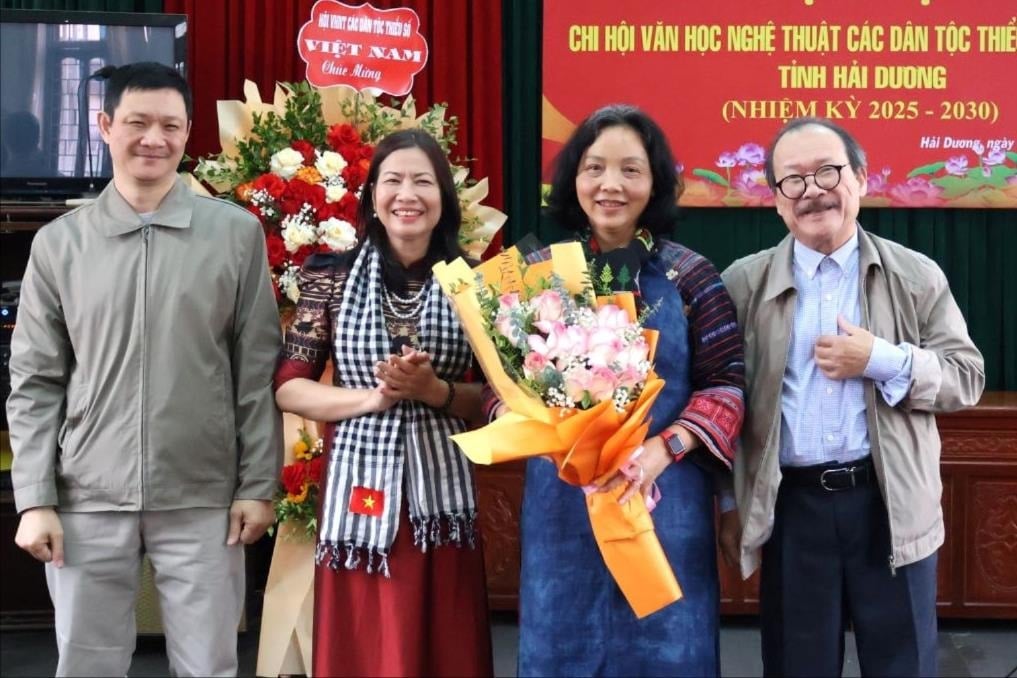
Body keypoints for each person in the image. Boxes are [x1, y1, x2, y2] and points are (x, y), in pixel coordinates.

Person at [7, 62, 283, 676]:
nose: (153, 138)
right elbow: (34, 383)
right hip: (86, 496)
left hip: (203, 493)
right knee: (86, 663)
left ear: (187, 135)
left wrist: (257, 484)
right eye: (137, 122)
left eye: (169, 125)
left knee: (209, 663)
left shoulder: (235, 236)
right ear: (105, 126)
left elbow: (255, 371)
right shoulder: (59, 244)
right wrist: (34, 498)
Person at [722, 117, 985, 677]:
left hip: (889, 507)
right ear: (775, 200)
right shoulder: (743, 284)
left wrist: (881, 360)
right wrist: (727, 502)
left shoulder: (916, 275)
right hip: (793, 509)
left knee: (903, 666)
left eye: (828, 172)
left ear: (862, 179)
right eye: (792, 179)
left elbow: (966, 376)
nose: (812, 190)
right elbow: (720, 396)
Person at [490, 104, 744, 676]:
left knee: (667, 648)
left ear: (654, 182)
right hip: (563, 506)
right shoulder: (536, 274)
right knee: (561, 646)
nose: (610, 184)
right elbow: (497, 385)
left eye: (631, 169)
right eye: (594, 167)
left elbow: (727, 385)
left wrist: (665, 448)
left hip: (663, 499)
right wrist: (538, 419)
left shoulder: (691, 275)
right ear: (573, 179)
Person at [273, 128, 494, 677]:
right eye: (392, 180)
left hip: (439, 506)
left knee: (441, 645)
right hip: (359, 502)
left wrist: (434, 392)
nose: (407, 194)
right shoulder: (330, 277)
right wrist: (375, 398)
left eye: (423, 181)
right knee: (369, 644)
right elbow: (289, 387)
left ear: (443, 198)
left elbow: (499, 400)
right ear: (372, 195)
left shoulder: (473, 283)